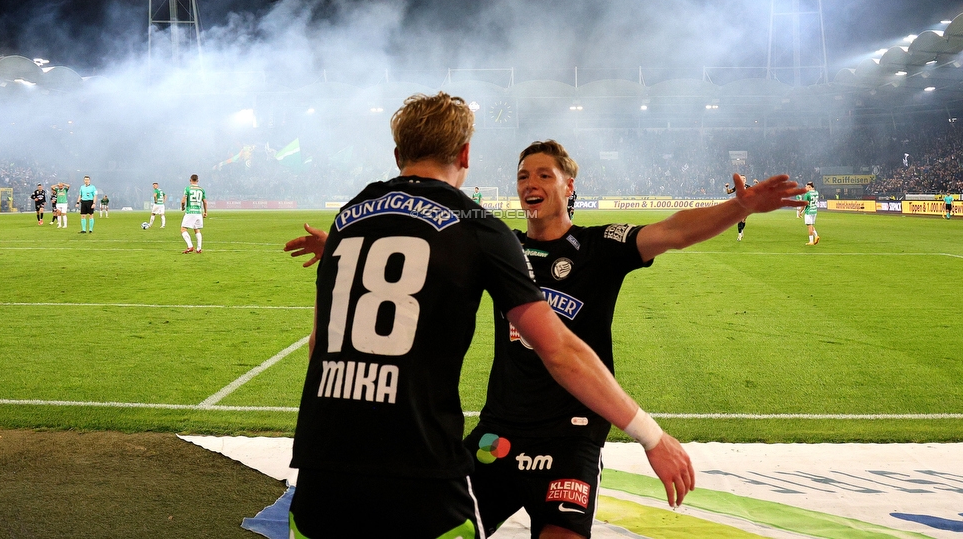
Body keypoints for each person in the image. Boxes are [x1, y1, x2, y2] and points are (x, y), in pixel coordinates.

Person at [282, 94, 694, 539]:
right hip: (418, 467)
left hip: (321, 468)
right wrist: (652, 436)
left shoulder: (347, 220)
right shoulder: (478, 227)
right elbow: (558, 350)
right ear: (464, 155)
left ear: (398, 155)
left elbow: (317, 346)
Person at [464, 140, 806, 538]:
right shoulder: (504, 248)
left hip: (571, 440)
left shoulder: (599, 246)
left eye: (544, 174)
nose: (530, 183)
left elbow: (674, 230)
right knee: (442, 527)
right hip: (498, 433)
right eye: (523, 176)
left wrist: (740, 206)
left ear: (568, 186)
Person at [179, 175, 207, 254]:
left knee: (183, 229)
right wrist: (205, 212)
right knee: (197, 229)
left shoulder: (187, 188)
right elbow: (205, 202)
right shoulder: (201, 189)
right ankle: (199, 249)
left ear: (190, 180)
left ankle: (190, 246)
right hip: (198, 213)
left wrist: (182, 207)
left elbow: (183, 201)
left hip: (190, 212)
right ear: (198, 180)